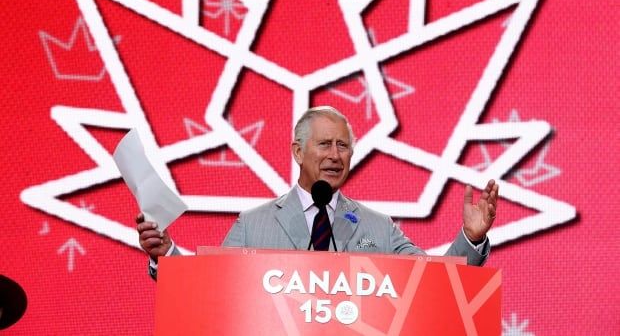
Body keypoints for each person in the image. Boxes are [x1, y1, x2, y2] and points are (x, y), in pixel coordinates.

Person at [137, 106, 498, 279]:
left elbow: (434, 281)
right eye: (324, 144)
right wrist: (166, 253)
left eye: (343, 146)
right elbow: (208, 285)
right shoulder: (254, 224)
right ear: (298, 152)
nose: (335, 156)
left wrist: (470, 237)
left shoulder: (378, 228)